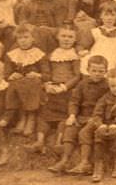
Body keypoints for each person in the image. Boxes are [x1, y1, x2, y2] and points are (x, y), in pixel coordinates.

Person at [48, 55, 109, 174]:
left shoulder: (107, 86)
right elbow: (74, 101)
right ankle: (64, 161)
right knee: (70, 129)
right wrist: (72, 115)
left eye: (101, 71)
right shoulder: (82, 84)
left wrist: (97, 118)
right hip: (82, 116)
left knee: (84, 132)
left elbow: (107, 105)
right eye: (94, 71)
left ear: (106, 71)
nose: (97, 74)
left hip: (97, 117)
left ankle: (85, 162)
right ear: (88, 70)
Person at [30, 24, 81, 154]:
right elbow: (46, 72)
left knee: (63, 118)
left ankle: (58, 143)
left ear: (75, 39)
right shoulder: (52, 54)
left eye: (70, 37)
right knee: (44, 115)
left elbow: (77, 76)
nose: (66, 39)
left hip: (67, 89)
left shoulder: (75, 55)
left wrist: (64, 87)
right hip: (52, 87)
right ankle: (40, 141)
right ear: (58, 37)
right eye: (63, 36)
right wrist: (47, 84)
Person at [4, 24, 50, 137]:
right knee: (15, 84)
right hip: (19, 83)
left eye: (26, 37)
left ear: (33, 38)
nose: (23, 41)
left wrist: (37, 74)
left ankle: (31, 118)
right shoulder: (12, 54)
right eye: (20, 38)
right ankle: (22, 118)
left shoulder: (39, 54)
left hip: (34, 83)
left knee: (33, 83)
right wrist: (11, 75)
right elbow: (6, 74)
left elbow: (47, 75)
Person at [78, 2, 116, 75]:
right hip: (97, 58)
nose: (109, 18)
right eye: (106, 15)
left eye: (113, 15)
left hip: (114, 58)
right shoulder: (95, 32)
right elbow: (82, 45)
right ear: (101, 16)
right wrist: (82, 51)